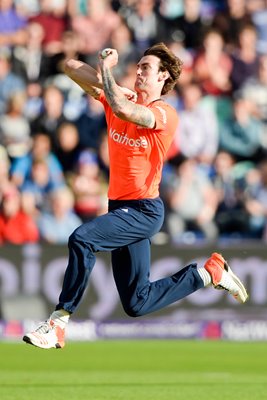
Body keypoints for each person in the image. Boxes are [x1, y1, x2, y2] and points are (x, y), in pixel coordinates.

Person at [23, 42, 248, 349]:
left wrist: (107, 72)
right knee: (136, 303)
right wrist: (109, 80)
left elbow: (124, 110)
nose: (139, 72)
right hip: (120, 207)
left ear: (163, 78)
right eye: (139, 66)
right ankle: (209, 274)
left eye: (146, 68)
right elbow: (71, 68)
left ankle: (58, 322)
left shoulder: (165, 113)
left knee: (82, 238)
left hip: (144, 211)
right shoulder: (119, 96)